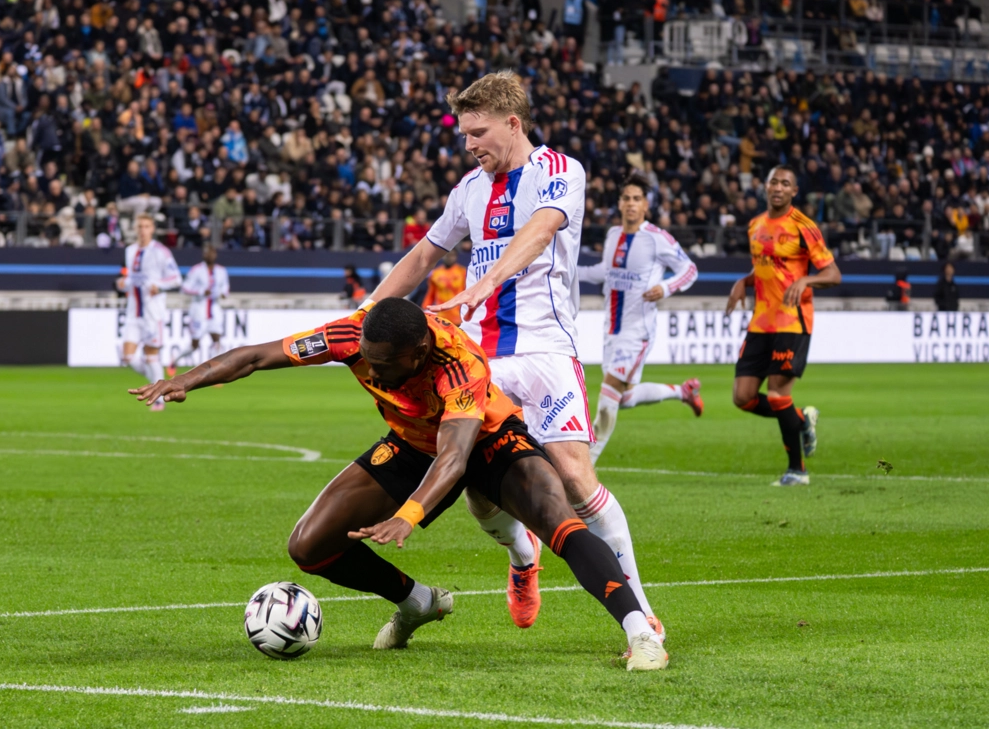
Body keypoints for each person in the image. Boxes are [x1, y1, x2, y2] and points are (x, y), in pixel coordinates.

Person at [129, 298, 667, 671]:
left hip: (487, 440)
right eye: (366, 357)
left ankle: (640, 634)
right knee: (309, 546)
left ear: (417, 355)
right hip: (412, 443)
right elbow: (254, 356)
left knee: (560, 518)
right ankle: (418, 602)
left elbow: (456, 457)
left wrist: (406, 515)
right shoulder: (353, 336)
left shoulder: (459, 363)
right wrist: (184, 381)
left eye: (384, 364)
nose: (371, 369)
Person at [370, 71, 663, 649]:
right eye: (463, 134)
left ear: (513, 122)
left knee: (576, 478)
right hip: (481, 360)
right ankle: (522, 554)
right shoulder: (469, 189)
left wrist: (489, 280)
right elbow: (426, 252)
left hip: (547, 352)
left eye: (478, 132)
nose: (469, 144)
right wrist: (367, 311)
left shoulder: (562, 172)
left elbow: (541, 230)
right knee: (483, 491)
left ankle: (642, 618)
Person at [726, 165, 842, 486]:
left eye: (785, 183)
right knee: (743, 397)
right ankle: (802, 419)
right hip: (761, 322)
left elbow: (833, 274)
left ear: (794, 191)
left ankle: (797, 471)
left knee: (777, 394)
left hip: (792, 321)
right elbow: (767, 269)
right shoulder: (755, 226)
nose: (778, 187)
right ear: (765, 187)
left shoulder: (804, 226)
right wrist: (744, 281)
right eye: (774, 182)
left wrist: (806, 279)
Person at [577, 172, 703, 464]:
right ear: (619, 204)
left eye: (637, 199)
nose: (631, 204)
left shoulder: (657, 238)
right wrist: (571, 272)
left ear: (646, 205)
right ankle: (682, 391)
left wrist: (666, 287)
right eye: (626, 199)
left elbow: (689, 269)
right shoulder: (612, 236)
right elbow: (604, 273)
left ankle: (585, 469)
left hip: (638, 331)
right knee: (625, 398)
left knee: (608, 394)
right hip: (611, 329)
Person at [117, 214, 181, 411]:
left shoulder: (161, 252)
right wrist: (123, 284)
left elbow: (176, 279)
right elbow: (133, 279)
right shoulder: (130, 251)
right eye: (139, 226)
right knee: (127, 357)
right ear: (135, 229)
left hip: (153, 314)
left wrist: (159, 286)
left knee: (151, 356)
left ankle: (159, 399)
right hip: (133, 313)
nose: (142, 230)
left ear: (152, 229)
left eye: (146, 226)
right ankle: (159, 384)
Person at [169, 245, 231, 375]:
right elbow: (184, 288)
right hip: (199, 311)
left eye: (212, 253)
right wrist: (201, 291)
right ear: (204, 255)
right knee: (194, 345)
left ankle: (215, 372)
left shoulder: (221, 271)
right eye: (208, 253)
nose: (210, 255)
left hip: (215, 310)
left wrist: (224, 293)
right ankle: (175, 360)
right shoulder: (196, 270)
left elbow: (225, 286)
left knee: (217, 339)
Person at [421, 248, 467, 325]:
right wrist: (425, 307)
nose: (449, 257)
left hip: (458, 314)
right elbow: (431, 293)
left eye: (452, 255)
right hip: (441, 315)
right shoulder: (435, 273)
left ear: (456, 257)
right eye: (447, 255)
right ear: (442, 256)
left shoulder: (463, 272)